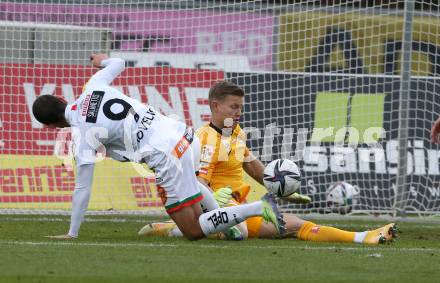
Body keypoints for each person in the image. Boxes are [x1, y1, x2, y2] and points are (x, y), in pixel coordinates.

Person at [32, 54, 286, 240]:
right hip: (185, 135)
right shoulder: (93, 86)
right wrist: (102, 60)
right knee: (193, 186)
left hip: (167, 156)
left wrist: (72, 232)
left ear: (53, 126)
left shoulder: (82, 135)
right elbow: (119, 62)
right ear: (62, 98)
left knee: (194, 230)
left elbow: (82, 188)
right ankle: (224, 220)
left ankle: (258, 207)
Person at [139, 81, 397, 244]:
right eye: (233, 107)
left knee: (294, 224)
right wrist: (217, 202)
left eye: (240, 107)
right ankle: (175, 228)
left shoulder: (236, 132)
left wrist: (285, 191)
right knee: (250, 231)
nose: (239, 113)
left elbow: (251, 165)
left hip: (239, 205)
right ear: (215, 106)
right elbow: (197, 183)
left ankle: (364, 237)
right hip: (220, 206)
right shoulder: (205, 139)